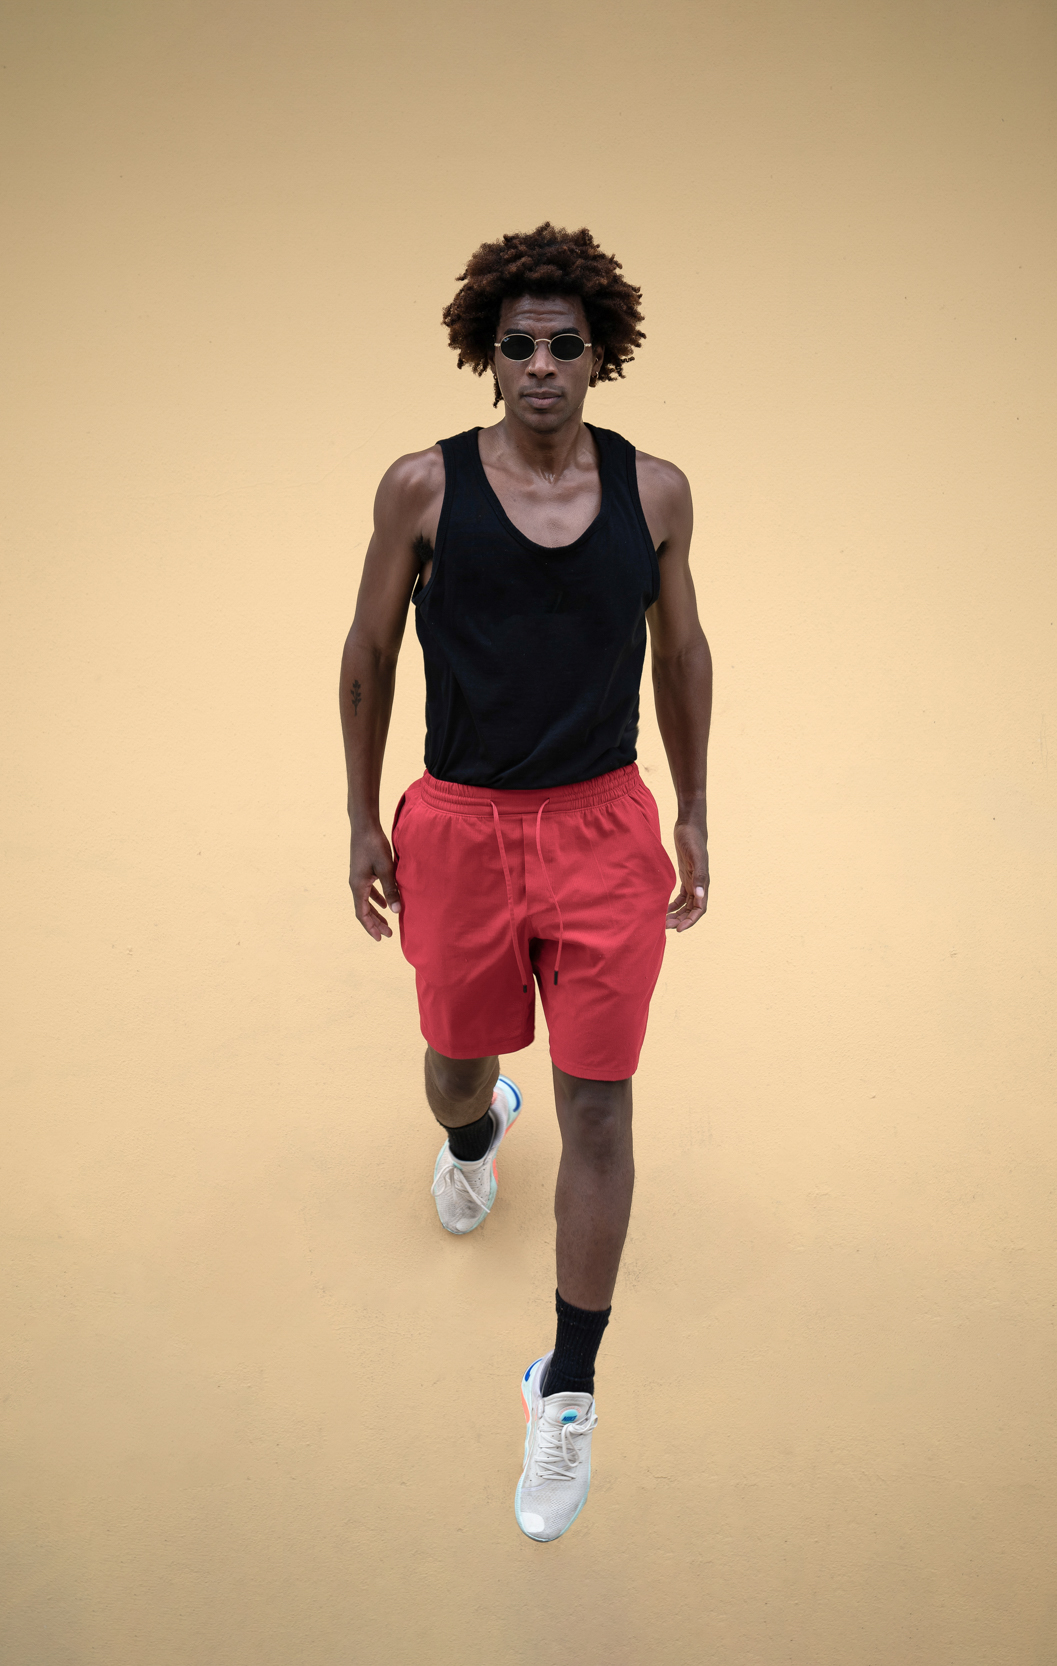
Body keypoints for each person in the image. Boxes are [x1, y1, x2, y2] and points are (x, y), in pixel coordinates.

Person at [339, 223, 712, 1542]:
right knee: (453, 1066)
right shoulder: (421, 489)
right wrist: (359, 817)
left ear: (601, 355)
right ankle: (470, 1125)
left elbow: (682, 655)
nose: (542, 366)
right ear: (485, 358)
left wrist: (696, 805)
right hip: (458, 827)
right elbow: (368, 652)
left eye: (566, 346)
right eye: (519, 347)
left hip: (605, 829)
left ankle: (563, 1384)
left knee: (600, 1109)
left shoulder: (654, 491)